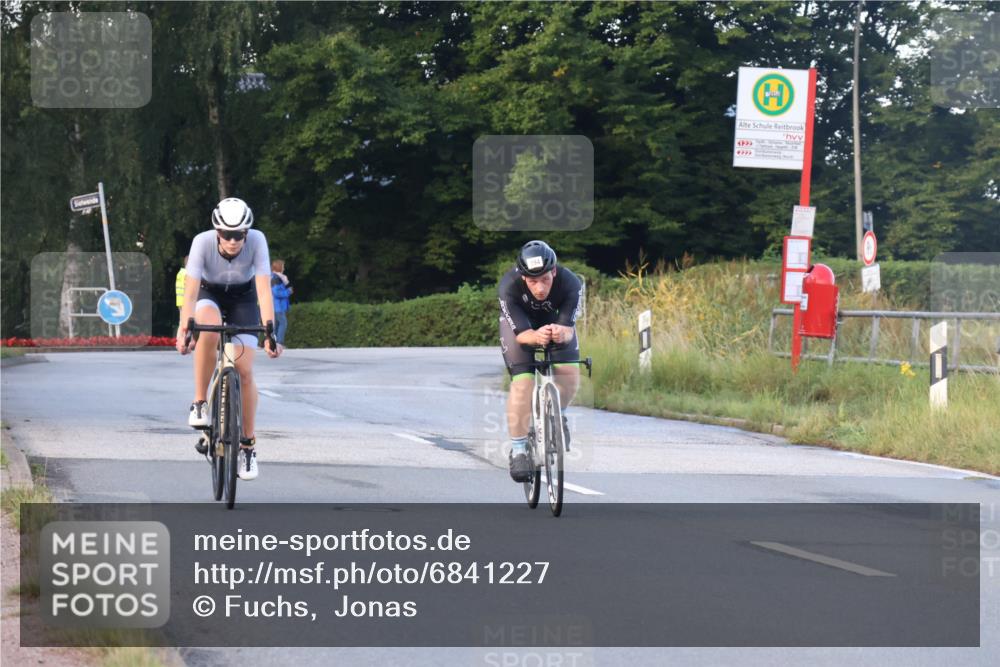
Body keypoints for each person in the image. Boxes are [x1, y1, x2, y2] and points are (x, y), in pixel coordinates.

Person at [176, 197, 281, 481]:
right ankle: (199, 401)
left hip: (243, 298)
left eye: (239, 235)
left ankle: (247, 446)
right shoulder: (202, 242)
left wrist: (270, 332)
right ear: (217, 232)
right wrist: (185, 328)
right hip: (209, 293)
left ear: (247, 232)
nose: (233, 241)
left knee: (245, 371)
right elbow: (190, 290)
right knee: (207, 326)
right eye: (227, 235)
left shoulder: (258, 241)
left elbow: (263, 289)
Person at [498, 240, 583, 482]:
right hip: (521, 329)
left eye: (545, 279)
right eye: (532, 282)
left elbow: (568, 330)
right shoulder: (508, 286)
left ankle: (560, 416)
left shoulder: (570, 283)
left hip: (556, 323)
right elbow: (523, 335)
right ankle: (519, 449)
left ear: (554, 271)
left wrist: (560, 332)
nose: (539, 288)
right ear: (523, 277)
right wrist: (536, 336)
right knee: (523, 383)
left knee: (568, 372)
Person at [270, 259, 293, 346]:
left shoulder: (275, 277)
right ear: (279, 267)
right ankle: (279, 342)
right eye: (283, 266)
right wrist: (288, 292)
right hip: (278, 306)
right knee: (283, 323)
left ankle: (273, 343)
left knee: (275, 325)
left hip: (275, 305)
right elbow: (276, 292)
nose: (284, 268)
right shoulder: (277, 278)